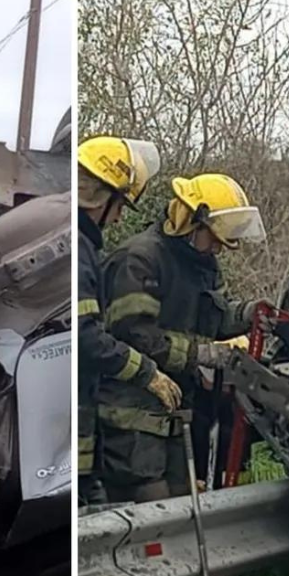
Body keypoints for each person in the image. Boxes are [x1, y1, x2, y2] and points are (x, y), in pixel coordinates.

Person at [99, 173, 271, 502]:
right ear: (191, 221)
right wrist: (203, 354)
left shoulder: (202, 263)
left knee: (183, 506)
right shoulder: (140, 260)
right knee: (152, 509)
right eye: (216, 238)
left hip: (177, 412)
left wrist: (247, 314)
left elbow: (214, 317)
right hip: (132, 416)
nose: (221, 247)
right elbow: (135, 334)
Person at [76, 137, 183, 507]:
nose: (120, 217)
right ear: (100, 197)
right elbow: (86, 338)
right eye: (120, 204)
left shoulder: (82, 247)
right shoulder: (79, 251)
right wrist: (147, 372)